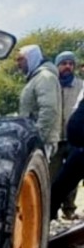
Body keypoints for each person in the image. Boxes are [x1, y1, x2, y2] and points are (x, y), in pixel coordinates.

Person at [49, 51, 83, 219]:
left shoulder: (80, 85)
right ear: (57, 66)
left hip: (75, 139)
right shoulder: (50, 84)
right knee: (54, 174)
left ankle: (69, 209)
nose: (68, 66)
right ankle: (50, 211)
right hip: (55, 136)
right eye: (64, 63)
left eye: (71, 63)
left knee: (72, 177)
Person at [16, 45, 61, 159]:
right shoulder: (36, 78)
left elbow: (49, 109)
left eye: (21, 59)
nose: (18, 64)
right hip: (36, 141)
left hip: (42, 142)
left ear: (31, 58)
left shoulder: (45, 78)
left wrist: (37, 138)